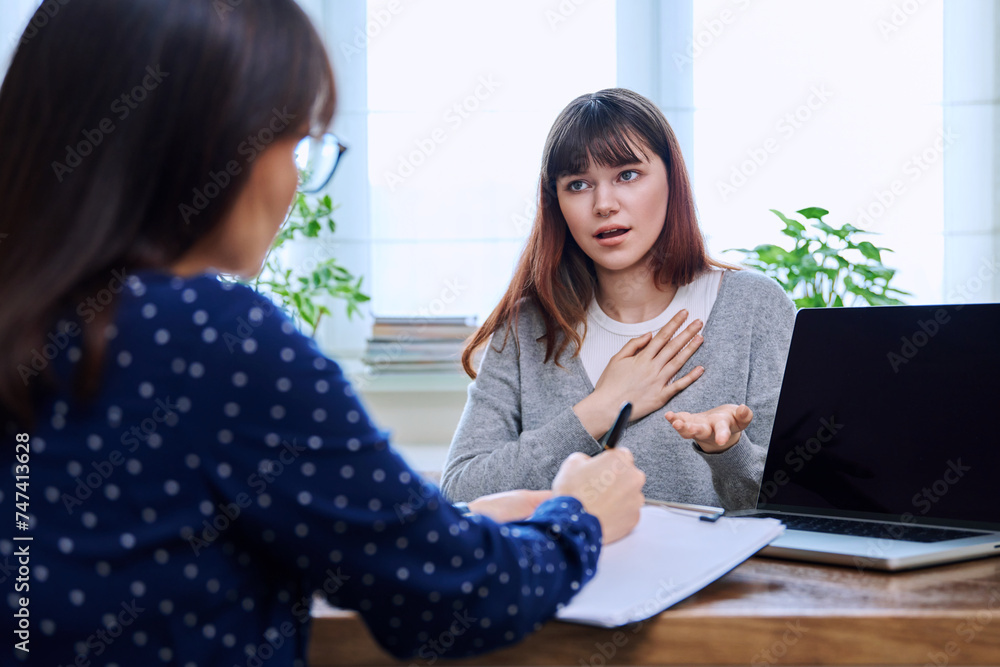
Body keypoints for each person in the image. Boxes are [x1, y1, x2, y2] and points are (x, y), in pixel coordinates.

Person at [0, 2, 646, 665]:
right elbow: (452, 598)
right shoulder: (216, 340)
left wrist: (455, 526)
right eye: (298, 142)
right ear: (215, 142)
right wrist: (579, 514)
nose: (294, 185)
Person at [441, 88, 796, 510]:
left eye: (627, 175)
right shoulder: (526, 327)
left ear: (672, 178)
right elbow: (460, 494)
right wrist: (601, 408)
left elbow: (801, 504)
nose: (604, 204)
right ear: (557, 203)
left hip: (720, 578)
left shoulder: (754, 307)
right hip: (574, 577)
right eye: (578, 185)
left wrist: (728, 449)